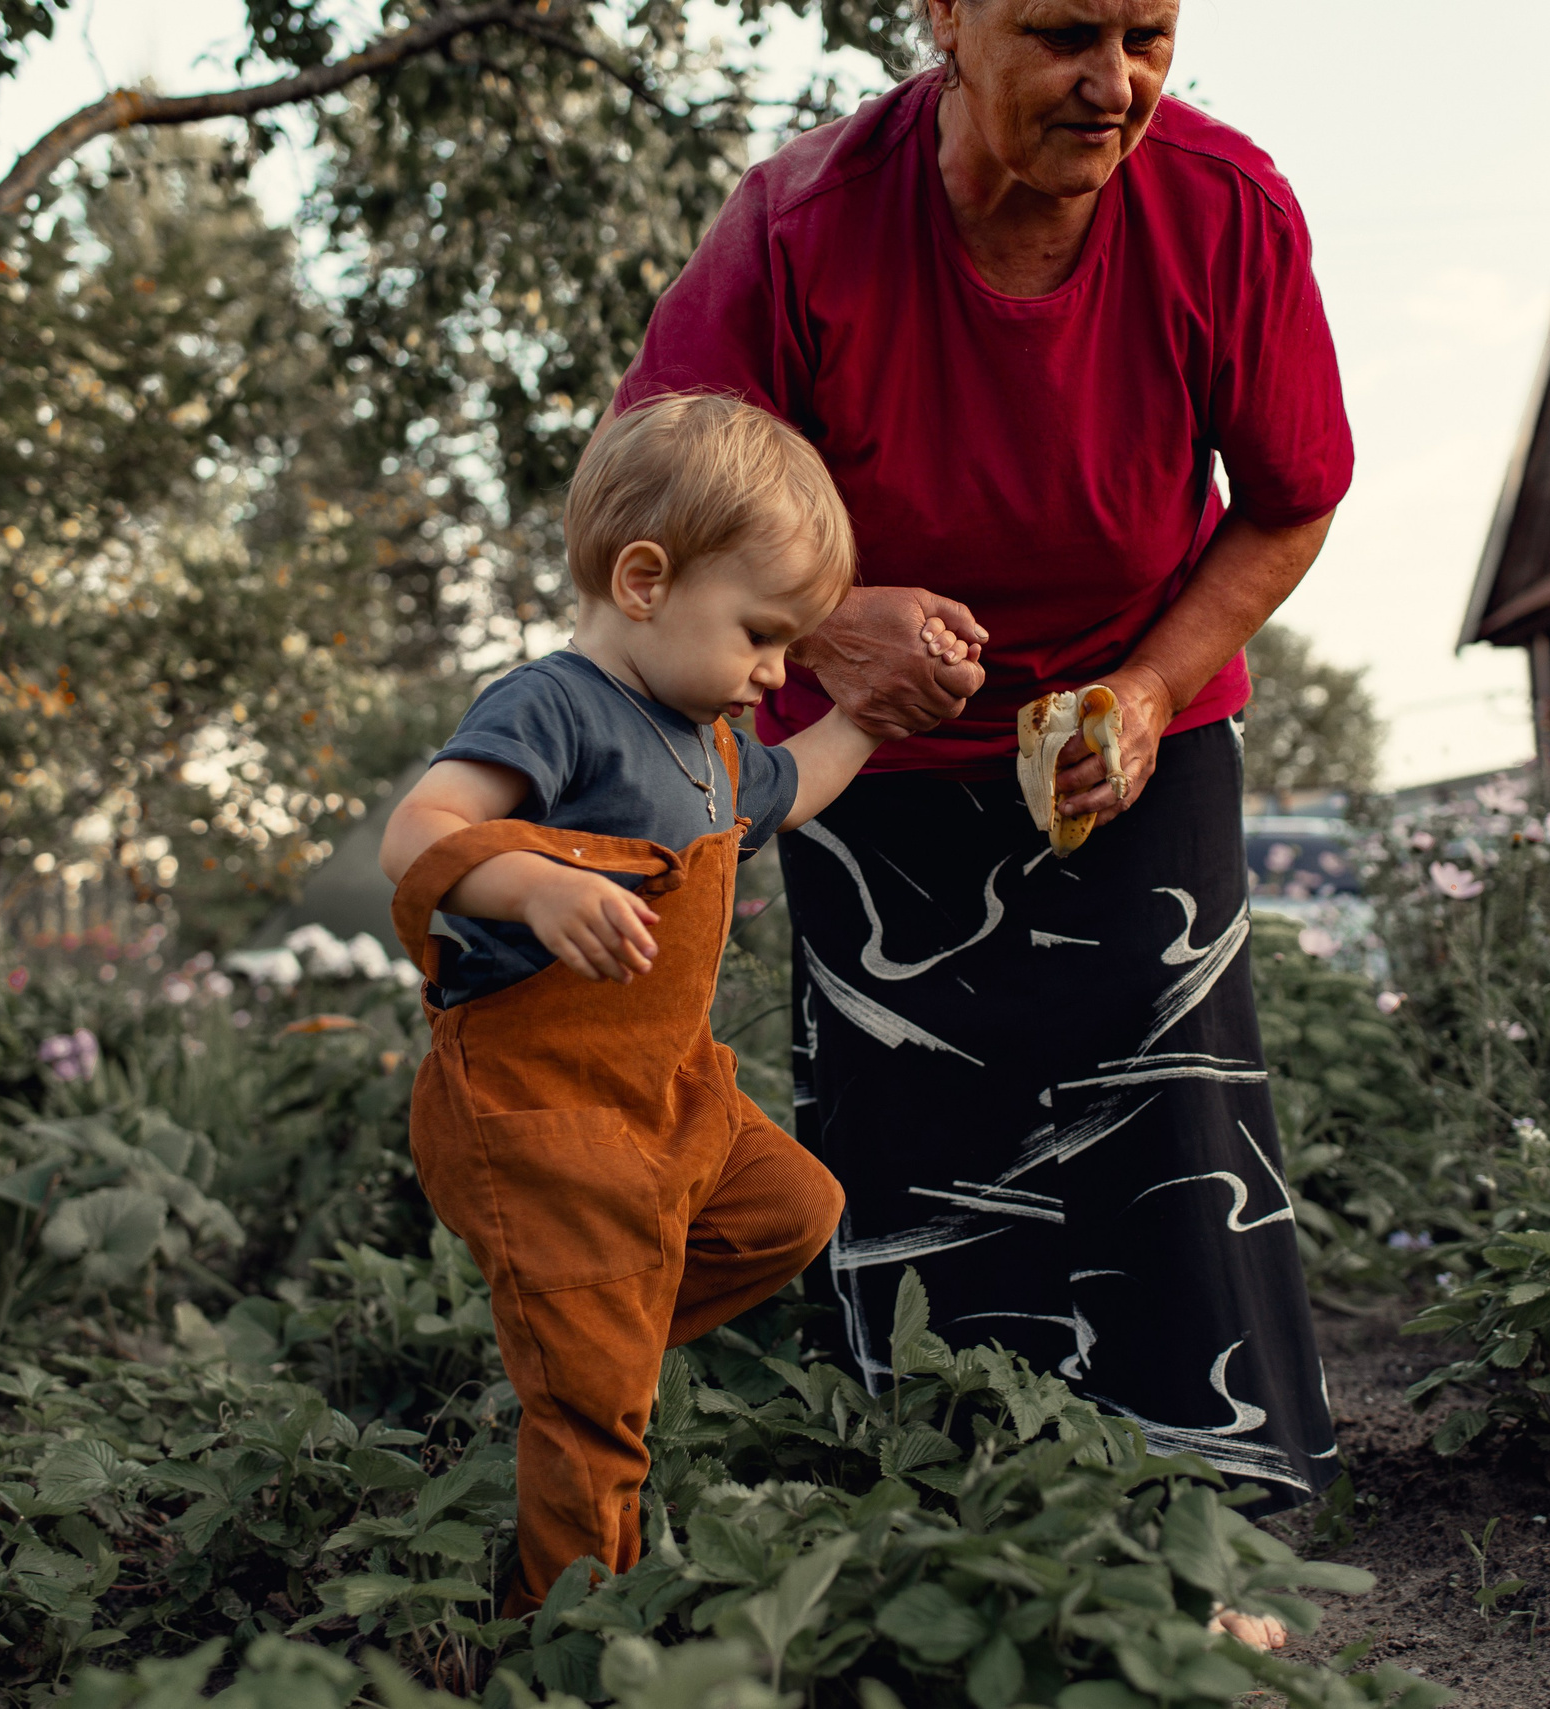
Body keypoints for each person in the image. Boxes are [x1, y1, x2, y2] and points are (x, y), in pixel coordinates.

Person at [614, 0, 1351, 1639]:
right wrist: (819, 624)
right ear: (944, 15)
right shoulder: (800, 230)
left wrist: (1155, 688)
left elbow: (1292, 495)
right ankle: (952, 1546)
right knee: (916, 1146)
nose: (1118, 84)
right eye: (1066, 32)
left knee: (1165, 1130)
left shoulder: (1224, 212)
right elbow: (635, 506)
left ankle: (1199, 1564)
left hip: (1133, 742)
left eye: (1149, 31)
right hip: (873, 759)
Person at [376, 393, 974, 1614]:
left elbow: (794, 787)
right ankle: (573, 1630)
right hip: (534, 1103)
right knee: (597, 1414)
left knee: (792, 1208)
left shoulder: (705, 737)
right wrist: (535, 880)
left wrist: (870, 712)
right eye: (762, 634)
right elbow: (418, 831)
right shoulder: (552, 704)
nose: (773, 673)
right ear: (645, 579)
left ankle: (575, 1354)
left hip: (661, 1093)